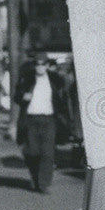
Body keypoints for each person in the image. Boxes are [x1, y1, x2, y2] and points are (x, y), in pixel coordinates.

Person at [14, 50, 67, 194]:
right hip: (31, 119)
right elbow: (16, 96)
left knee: (48, 153)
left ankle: (43, 184)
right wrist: (23, 96)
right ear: (34, 66)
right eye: (37, 64)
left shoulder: (55, 80)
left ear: (47, 65)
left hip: (49, 120)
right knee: (33, 152)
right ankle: (35, 176)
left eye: (43, 64)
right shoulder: (27, 79)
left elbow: (61, 99)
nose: (40, 67)